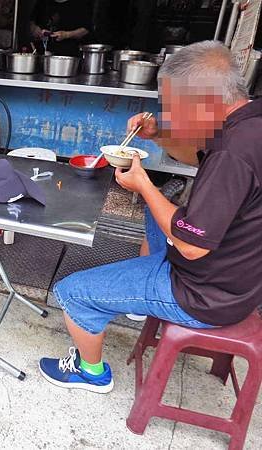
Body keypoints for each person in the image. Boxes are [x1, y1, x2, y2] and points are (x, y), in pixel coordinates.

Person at [39, 40, 262, 393]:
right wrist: (159, 134)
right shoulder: (248, 121)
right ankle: (141, 302)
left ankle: (90, 372)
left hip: (203, 293)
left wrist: (143, 183)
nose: (169, 115)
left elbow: (190, 246)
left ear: (205, 103)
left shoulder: (233, 154)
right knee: (153, 217)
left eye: (173, 108)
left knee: (72, 292)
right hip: (239, 280)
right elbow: (195, 158)